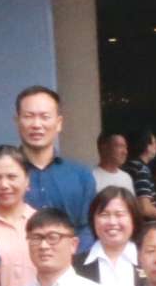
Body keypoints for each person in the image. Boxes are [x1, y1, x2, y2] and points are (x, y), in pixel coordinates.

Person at [14, 86, 98, 245]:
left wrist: (68, 257)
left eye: (45, 117)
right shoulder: (1, 177)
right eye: (28, 116)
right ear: (17, 121)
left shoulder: (81, 176)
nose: (36, 124)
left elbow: (88, 228)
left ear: (59, 123)